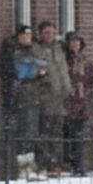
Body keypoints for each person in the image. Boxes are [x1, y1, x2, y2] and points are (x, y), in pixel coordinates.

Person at [0, 24, 47, 177]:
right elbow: (21, 72)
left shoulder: (33, 51)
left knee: (32, 131)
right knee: (24, 131)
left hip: (34, 96)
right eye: (25, 36)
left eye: (29, 36)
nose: (28, 38)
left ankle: (31, 162)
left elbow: (42, 68)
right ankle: (23, 166)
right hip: (21, 96)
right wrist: (35, 70)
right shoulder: (15, 52)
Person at [35, 21, 71, 175]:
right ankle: (44, 163)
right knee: (45, 131)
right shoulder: (37, 50)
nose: (49, 35)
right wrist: (45, 82)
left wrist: (67, 88)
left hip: (60, 98)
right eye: (46, 32)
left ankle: (56, 163)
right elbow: (36, 72)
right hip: (46, 96)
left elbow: (63, 70)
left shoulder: (59, 49)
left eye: (52, 32)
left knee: (57, 132)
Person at [63, 31, 93, 175]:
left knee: (78, 137)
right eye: (72, 41)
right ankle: (67, 164)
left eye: (77, 41)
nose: (75, 44)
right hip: (67, 102)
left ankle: (78, 165)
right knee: (66, 136)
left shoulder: (85, 61)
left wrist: (87, 103)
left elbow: (90, 83)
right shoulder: (64, 60)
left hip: (81, 104)